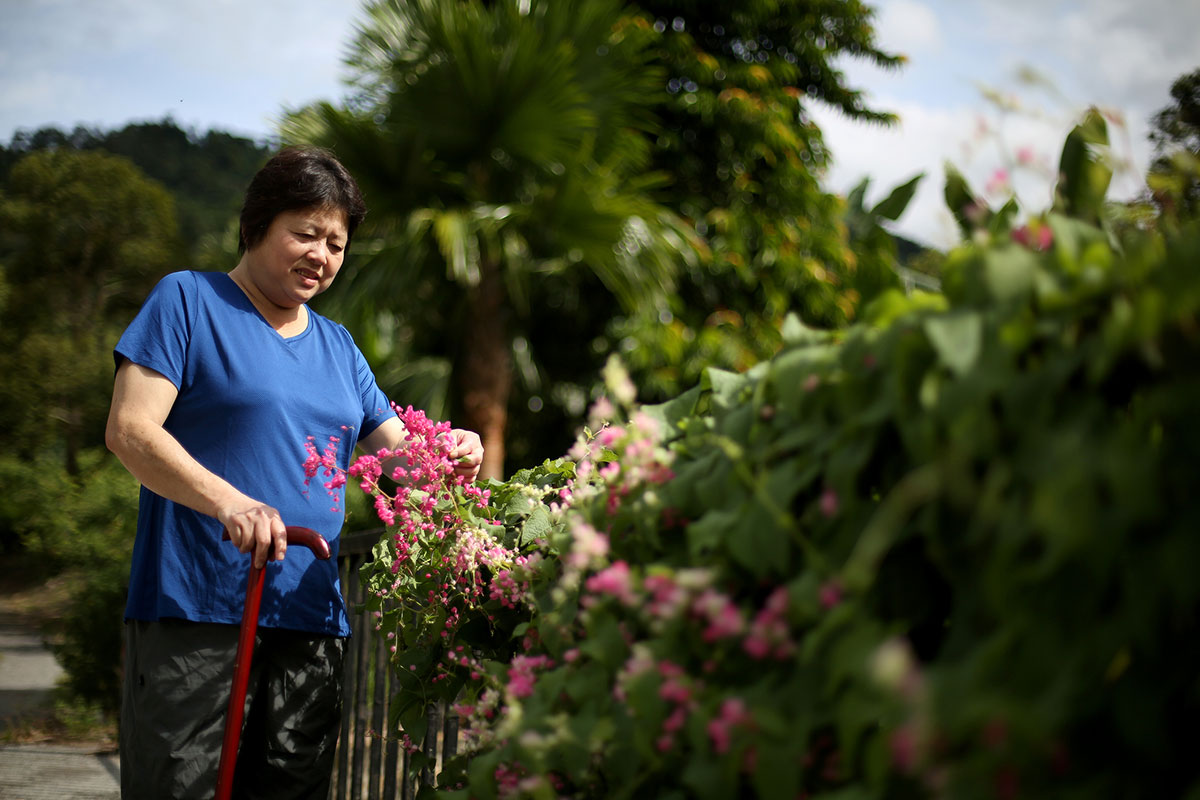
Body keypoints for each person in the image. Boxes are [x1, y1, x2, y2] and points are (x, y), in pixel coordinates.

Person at [105, 145, 483, 800]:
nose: (321, 255)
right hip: (197, 608)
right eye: (305, 233)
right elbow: (131, 430)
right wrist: (230, 504)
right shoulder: (189, 301)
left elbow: (402, 456)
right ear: (257, 225)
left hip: (310, 615)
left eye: (336, 243)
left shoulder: (338, 346)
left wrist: (450, 453)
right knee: (184, 785)